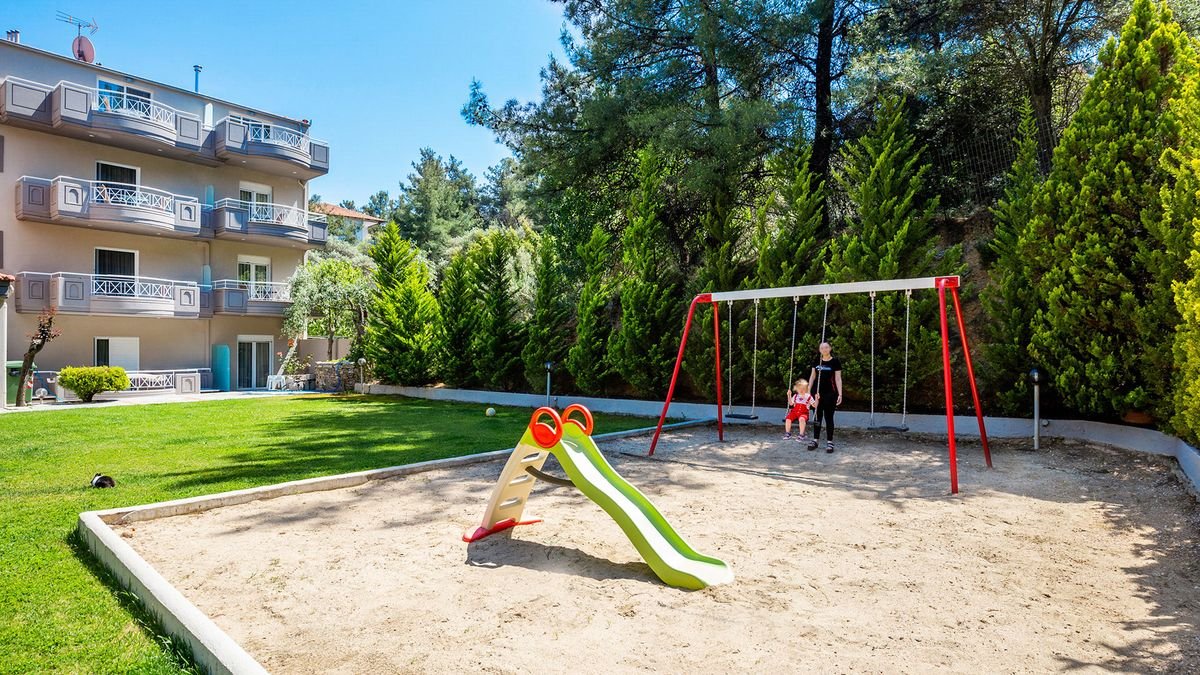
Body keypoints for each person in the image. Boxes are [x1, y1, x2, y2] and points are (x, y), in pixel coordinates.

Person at [807, 341, 843, 453]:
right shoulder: (816, 360)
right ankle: (815, 440)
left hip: (830, 393)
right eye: (822, 348)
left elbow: (838, 378)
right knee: (817, 417)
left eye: (826, 347)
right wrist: (808, 392)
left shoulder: (835, 361)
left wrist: (840, 394)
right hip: (816, 394)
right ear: (819, 350)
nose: (824, 349)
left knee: (829, 417)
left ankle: (829, 442)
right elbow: (812, 376)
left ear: (830, 348)